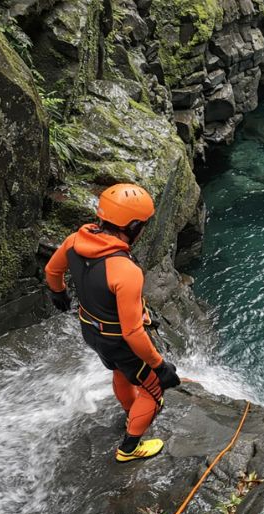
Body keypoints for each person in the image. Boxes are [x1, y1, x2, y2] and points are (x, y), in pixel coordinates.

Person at [44, 183, 180, 462]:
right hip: (119, 339)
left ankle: (132, 410)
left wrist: (58, 292)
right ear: (131, 226)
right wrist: (159, 366)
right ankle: (129, 448)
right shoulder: (125, 270)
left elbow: (51, 270)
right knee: (154, 391)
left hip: (91, 331)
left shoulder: (74, 241)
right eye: (142, 224)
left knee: (120, 372)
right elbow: (132, 332)